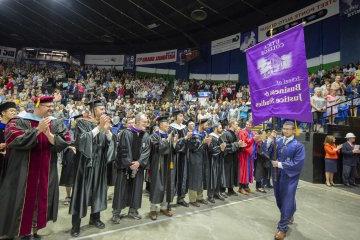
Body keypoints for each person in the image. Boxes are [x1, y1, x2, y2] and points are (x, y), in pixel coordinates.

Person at [0, 96, 70, 240]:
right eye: (47, 106)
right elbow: (13, 139)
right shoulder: (19, 120)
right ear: (37, 105)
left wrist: (49, 134)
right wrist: (37, 130)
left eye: (52, 106)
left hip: (47, 170)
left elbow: (65, 141)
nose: (51, 108)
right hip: (23, 170)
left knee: (42, 199)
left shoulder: (55, 122)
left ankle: (35, 230)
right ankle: (22, 232)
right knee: (22, 199)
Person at [69, 99, 116, 237]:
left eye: (104, 109)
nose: (104, 111)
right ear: (94, 110)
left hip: (99, 164)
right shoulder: (82, 122)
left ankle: (95, 218)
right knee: (81, 194)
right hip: (85, 165)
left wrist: (107, 132)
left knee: (98, 192)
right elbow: (81, 141)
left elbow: (110, 144)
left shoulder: (104, 124)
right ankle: (75, 225)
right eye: (101, 109)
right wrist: (99, 127)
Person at [112, 113, 151, 223]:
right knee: (121, 189)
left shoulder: (146, 135)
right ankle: (116, 213)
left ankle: (133, 210)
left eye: (146, 122)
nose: (146, 125)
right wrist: (130, 164)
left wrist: (139, 162)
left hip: (138, 168)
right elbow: (124, 150)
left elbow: (146, 151)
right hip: (124, 168)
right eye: (144, 122)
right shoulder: (126, 133)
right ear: (137, 122)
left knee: (137, 189)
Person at [271, 121, 306, 240]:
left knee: (287, 199)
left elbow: (298, 164)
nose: (285, 130)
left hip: (290, 177)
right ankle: (290, 212)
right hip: (277, 175)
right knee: (279, 198)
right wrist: (271, 139)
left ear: (293, 130)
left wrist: (280, 164)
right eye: (284, 128)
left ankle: (282, 228)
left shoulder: (298, 145)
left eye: (288, 129)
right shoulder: (278, 141)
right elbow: (267, 152)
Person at [148, 115, 176, 220]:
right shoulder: (154, 136)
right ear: (160, 124)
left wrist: (174, 143)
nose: (168, 125)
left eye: (168, 123)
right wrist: (167, 140)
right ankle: (153, 209)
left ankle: (164, 207)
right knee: (157, 186)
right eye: (166, 123)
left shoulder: (169, 135)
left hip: (168, 164)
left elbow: (172, 150)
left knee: (167, 186)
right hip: (158, 165)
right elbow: (158, 149)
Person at [188, 119, 211, 207]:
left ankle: (200, 197)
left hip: (202, 158)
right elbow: (193, 148)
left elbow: (206, 147)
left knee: (200, 177)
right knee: (194, 178)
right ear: (201, 124)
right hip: (194, 159)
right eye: (206, 124)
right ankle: (192, 199)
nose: (207, 126)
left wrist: (208, 144)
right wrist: (203, 142)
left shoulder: (205, 133)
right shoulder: (193, 134)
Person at [170, 110, 189, 207]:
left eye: (183, 116)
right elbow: (173, 144)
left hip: (184, 155)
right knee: (173, 176)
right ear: (175, 117)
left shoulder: (184, 128)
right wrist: (185, 139)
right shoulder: (171, 128)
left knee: (183, 175)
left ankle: (181, 198)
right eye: (180, 116)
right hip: (174, 156)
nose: (182, 118)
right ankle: (169, 200)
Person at [221, 119, 243, 196]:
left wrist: (240, 145)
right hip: (227, 157)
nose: (237, 125)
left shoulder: (235, 134)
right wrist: (237, 144)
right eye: (236, 124)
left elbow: (236, 145)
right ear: (232, 124)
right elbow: (225, 147)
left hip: (234, 157)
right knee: (226, 174)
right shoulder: (225, 134)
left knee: (232, 173)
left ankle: (231, 189)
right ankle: (222, 190)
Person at [207, 123, 227, 202]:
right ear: (215, 128)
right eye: (220, 127)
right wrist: (220, 148)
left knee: (219, 176)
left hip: (219, 159)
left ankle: (217, 192)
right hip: (213, 160)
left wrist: (223, 148)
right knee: (213, 177)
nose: (221, 129)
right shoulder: (211, 136)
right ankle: (210, 195)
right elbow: (210, 149)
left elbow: (223, 148)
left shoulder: (220, 137)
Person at [237, 121, 258, 195]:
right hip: (244, 154)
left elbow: (254, 143)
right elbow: (244, 142)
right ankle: (241, 188)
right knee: (243, 171)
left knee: (249, 171)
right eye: (247, 124)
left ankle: (246, 186)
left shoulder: (252, 133)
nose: (248, 125)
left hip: (250, 155)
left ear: (252, 125)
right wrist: (253, 139)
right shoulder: (242, 132)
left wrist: (256, 140)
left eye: (249, 124)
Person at [0, 101, 17, 183]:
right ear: (3, 112)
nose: (14, 113)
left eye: (15, 111)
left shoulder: (16, 128)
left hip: (11, 160)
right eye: (11, 110)